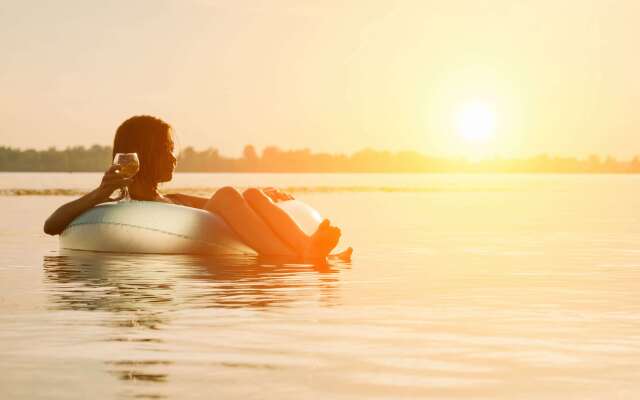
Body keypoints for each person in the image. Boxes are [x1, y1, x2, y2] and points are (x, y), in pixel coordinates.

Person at [43, 115, 351, 260]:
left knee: (251, 194)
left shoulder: (171, 199)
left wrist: (264, 197)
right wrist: (99, 193)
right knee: (229, 195)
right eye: (166, 148)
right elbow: (51, 225)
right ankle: (304, 254)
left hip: (188, 218)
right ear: (144, 153)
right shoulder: (119, 203)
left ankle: (306, 248)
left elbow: (221, 208)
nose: (174, 157)